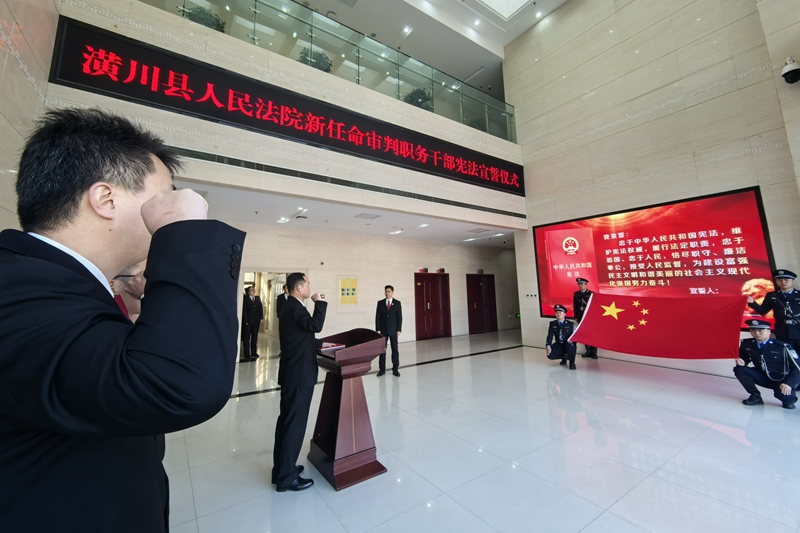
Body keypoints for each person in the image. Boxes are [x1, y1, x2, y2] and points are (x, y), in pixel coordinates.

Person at [0, 107, 245, 531]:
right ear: (106, 199)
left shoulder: (57, 285)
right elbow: (181, 386)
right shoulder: (16, 288)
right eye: (162, 195)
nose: (168, 206)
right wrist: (184, 230)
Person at [272, 272, 327, 492]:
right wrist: (320, 302)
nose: (310, 288)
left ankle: (282, 470)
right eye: (307, 285)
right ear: (299, 288)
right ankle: (287, 478)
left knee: (287, 423)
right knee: (294, 426)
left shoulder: (290, 306)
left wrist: (322, 344)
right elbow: (315, 325)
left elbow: (300, 335)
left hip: (292, 373)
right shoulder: (295, 307)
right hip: (298, 374)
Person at [734, 319, 799, 409]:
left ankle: (788, 398)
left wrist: (789, 383)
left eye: (760, 330)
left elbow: (797, 367)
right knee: (739, 369)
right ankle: (755, 396)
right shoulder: (747, 344)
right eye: (753, 330)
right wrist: (743, 362)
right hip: (762, 375)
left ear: (769, 331)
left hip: (780, 378)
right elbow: (744, 357)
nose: (757, 333)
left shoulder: (783, 347)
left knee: (788, 402)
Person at [747, 269, 800, 350]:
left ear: (793, 281)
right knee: (784, 353)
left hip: (798, 328)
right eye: (779, 280)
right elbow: (763, 310)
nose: (783, 282)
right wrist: (752, 303)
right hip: (782, 330)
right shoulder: (771, 295)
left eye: (786, 280)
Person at [375, 284, 403, 377]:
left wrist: (399, 329)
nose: (387, 293)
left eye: (389, 291)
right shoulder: (380, 303)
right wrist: (378, 329)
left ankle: (395, 369)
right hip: (383, 330)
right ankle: (382, 369)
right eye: (386, 291)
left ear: (392, 292)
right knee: (382, 350)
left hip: (393, 330)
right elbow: (377, 317)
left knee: (395, 350)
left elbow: (399, 317)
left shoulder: (397, 303)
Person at [546, 304, 577, 369]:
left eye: (560, 312)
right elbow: (550, 335)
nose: (558, 314)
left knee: (571, 347)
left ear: (564, 314)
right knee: (550, 355)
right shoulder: (552, 324)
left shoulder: (571, 324)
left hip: (568, 344)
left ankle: (572, 362)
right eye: (557, 312)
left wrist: (572, 344)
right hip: (559, 344)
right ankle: (564, 357)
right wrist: (548, 346)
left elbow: (575, 337)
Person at [573, 277, 597, 359]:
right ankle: (588, 351)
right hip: (580, 316)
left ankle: (594, 352)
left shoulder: (591, 293)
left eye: (582, 284)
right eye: (579, 284)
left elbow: (594, 306)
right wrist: (576, 316)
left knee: (592, 334)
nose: (580, 285)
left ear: (586, 285)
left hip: (590, 317)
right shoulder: (576, 294)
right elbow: (575, 306)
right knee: (584, 334)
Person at [241, 285, 264, 361]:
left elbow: (260, 309)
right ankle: (246, 353)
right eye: (251, 290)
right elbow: (244, 310)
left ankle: (254, 352)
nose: (253, 291)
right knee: (246, 337)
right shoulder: (246, 299)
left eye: (254, 289)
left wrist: (261, 318)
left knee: (254, 337)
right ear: (248, 292)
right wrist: (246, 321)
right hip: (248, 321)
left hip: (256, 321)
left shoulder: (257, 298)